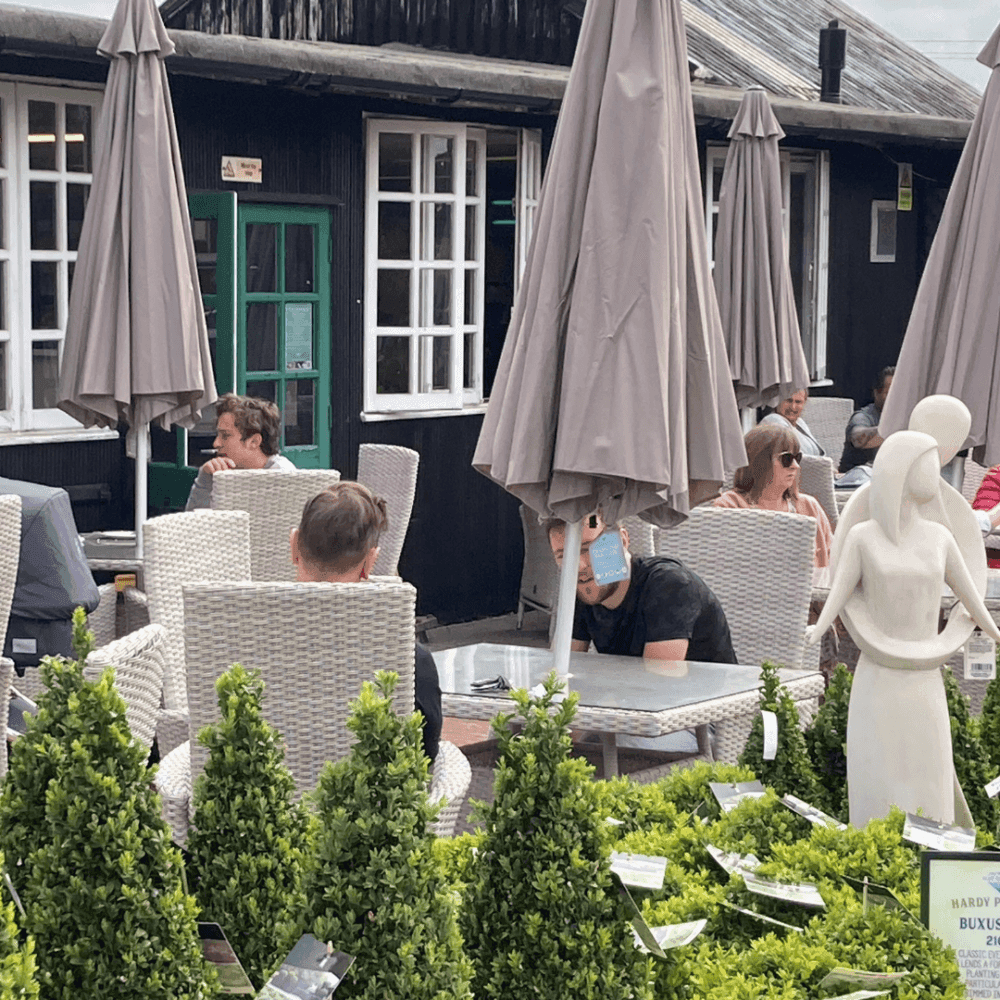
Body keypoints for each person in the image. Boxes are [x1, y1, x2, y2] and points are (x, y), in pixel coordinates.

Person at [808, 429, 1000, 827]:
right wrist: (818, 628)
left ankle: (931, 856)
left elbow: (969, 597)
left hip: (924, 678)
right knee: (879, 776)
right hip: (879, 676)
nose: (938, 474)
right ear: (902, 471)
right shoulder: (863, 537)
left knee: (928, 771)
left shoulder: (940, 538)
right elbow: (840, 592)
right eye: (929, 466)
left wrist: (996, 634)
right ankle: (876, 859)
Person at [290, 482, 442, 762]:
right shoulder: (407, 660)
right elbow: (426, 756)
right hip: (372, 804)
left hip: (263, 804)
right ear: (370, 562)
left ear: (293, 545)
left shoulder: (240, 642)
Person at [546, 514, 736, 664]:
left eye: (587, 548)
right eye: (564, 555)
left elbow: (656, 684)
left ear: (622, 540)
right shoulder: (583, 589)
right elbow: (559, 670)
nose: (578, 565)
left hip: (704, 704)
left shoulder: (669, 585)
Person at [712, 424, 834, 567]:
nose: (796, 466)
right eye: (787, 459)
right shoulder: (729, 507)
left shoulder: (809, 506)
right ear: (760, 462)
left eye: (797, 458)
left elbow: (835, 558)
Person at [185, 393, 295, 510]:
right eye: (218, 435)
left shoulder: (283, 477)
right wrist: (205, 479)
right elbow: (192, 523)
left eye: (225, 435)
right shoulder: (219, 471)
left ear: (254, 441)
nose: (216, 443)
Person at [839, 366, 895, 474]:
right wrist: (895, 429)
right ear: (876, 393)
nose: (896, 398)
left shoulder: (907, 416)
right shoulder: (864, 416)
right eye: (890, 393)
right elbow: (858, 438)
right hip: (856, 483)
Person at [760, 389, 825, 457]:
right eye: (788, 401)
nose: (793, 407)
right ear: (777, 401)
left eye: (798, 402)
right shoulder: (773, 421)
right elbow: (794, 458)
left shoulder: (799, 422)